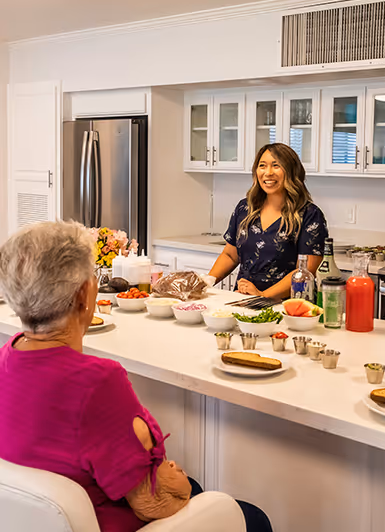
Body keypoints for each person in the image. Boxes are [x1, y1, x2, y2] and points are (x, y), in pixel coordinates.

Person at [0, 221, 272, 532]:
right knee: (251, 518)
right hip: (106, 521)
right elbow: (156, 502)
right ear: (83, 294)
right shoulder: (97, 382)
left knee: (193, 484)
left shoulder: (5, 357)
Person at [209, 142, 328, 298]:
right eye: (262, 165)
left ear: (291, 172)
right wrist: (206, 282)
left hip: (288, 307)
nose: (268, 173)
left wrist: (262, 295)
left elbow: (305, 271)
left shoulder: (309, 215)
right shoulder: (245, 208)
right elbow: (230, 255)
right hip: (243, 299)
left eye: (276, 166)